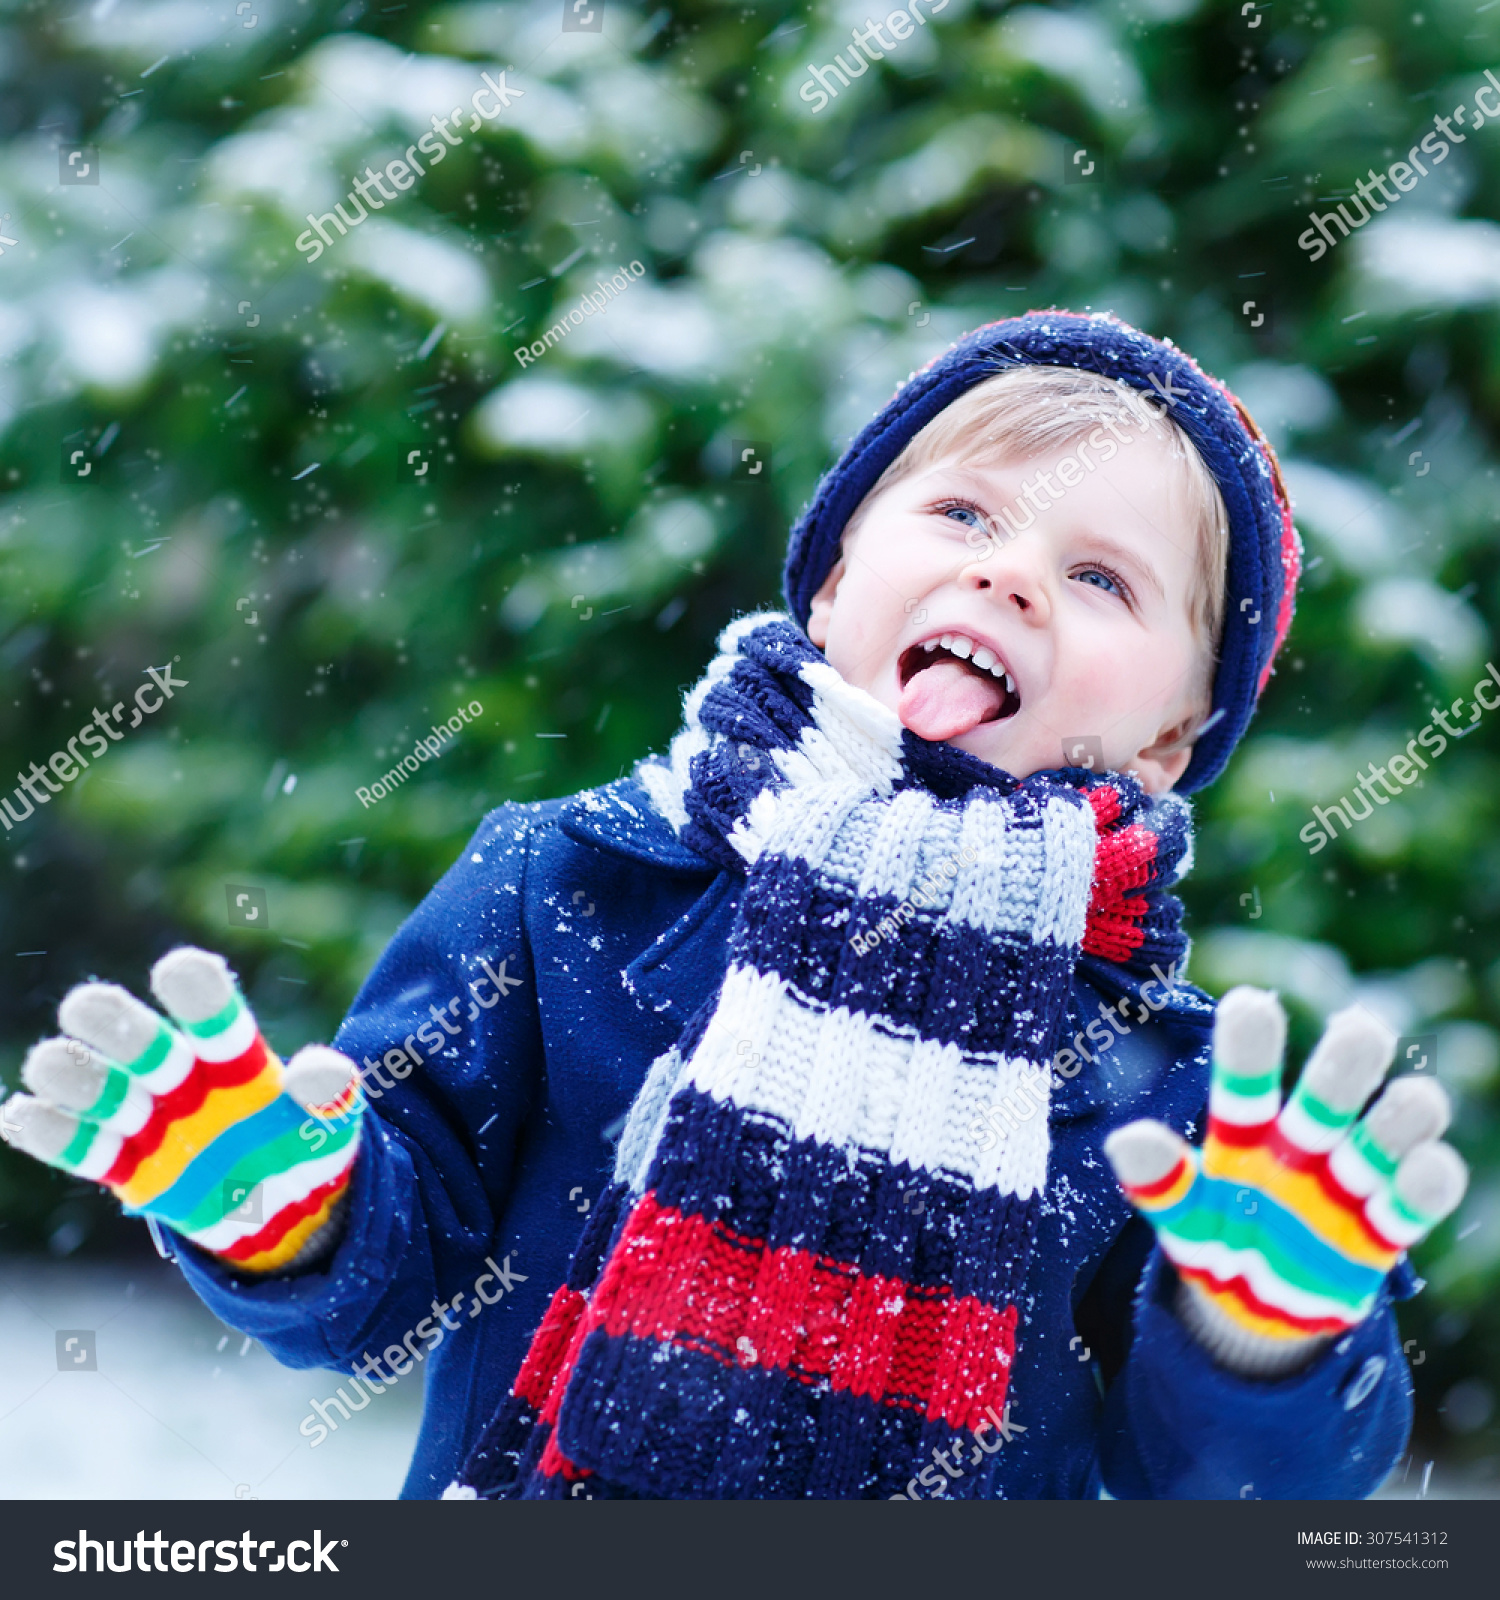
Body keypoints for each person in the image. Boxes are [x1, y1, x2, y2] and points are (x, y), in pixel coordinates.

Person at [2, 312, 1466, 1500]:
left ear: (1165, 740)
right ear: (832, 584)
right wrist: (283, 1207)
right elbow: (389, 1271)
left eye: (1099, 577)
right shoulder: (574, 886)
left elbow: (1222, 1484)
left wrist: (1256, 1342)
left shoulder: (1160, 1083)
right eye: (961, 511)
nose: (1008, 574)